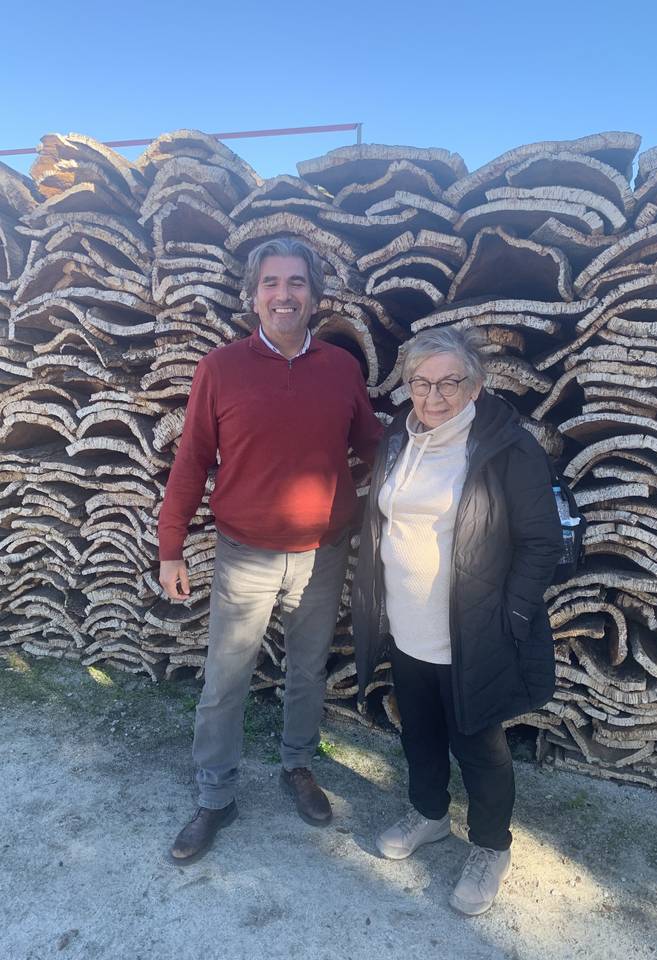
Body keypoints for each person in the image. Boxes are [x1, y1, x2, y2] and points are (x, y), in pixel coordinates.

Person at [159, 237, 382, 864]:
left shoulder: (341, 368)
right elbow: (192, 461)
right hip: (245, 553)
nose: (284, 295)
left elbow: (371, 443)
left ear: (314, 295)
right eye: (271, 283)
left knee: (306, 670)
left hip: (323, 552)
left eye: (296, 283)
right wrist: (171, 546)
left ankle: (297, 766)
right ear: (253, 295)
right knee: (225, 678)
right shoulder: (220, 368)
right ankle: (216, 796)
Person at [352, 326, 562, 916]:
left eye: (449, 382)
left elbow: (541, 542)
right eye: (421, 383)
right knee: (418, 729)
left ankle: (491, 846)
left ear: (475, 385)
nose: (434, 396)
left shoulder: (507, 449)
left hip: (473, 632)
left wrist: (512, 613)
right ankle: (429, 814)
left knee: (478, 744)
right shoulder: (399, 437)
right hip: (406, 623)